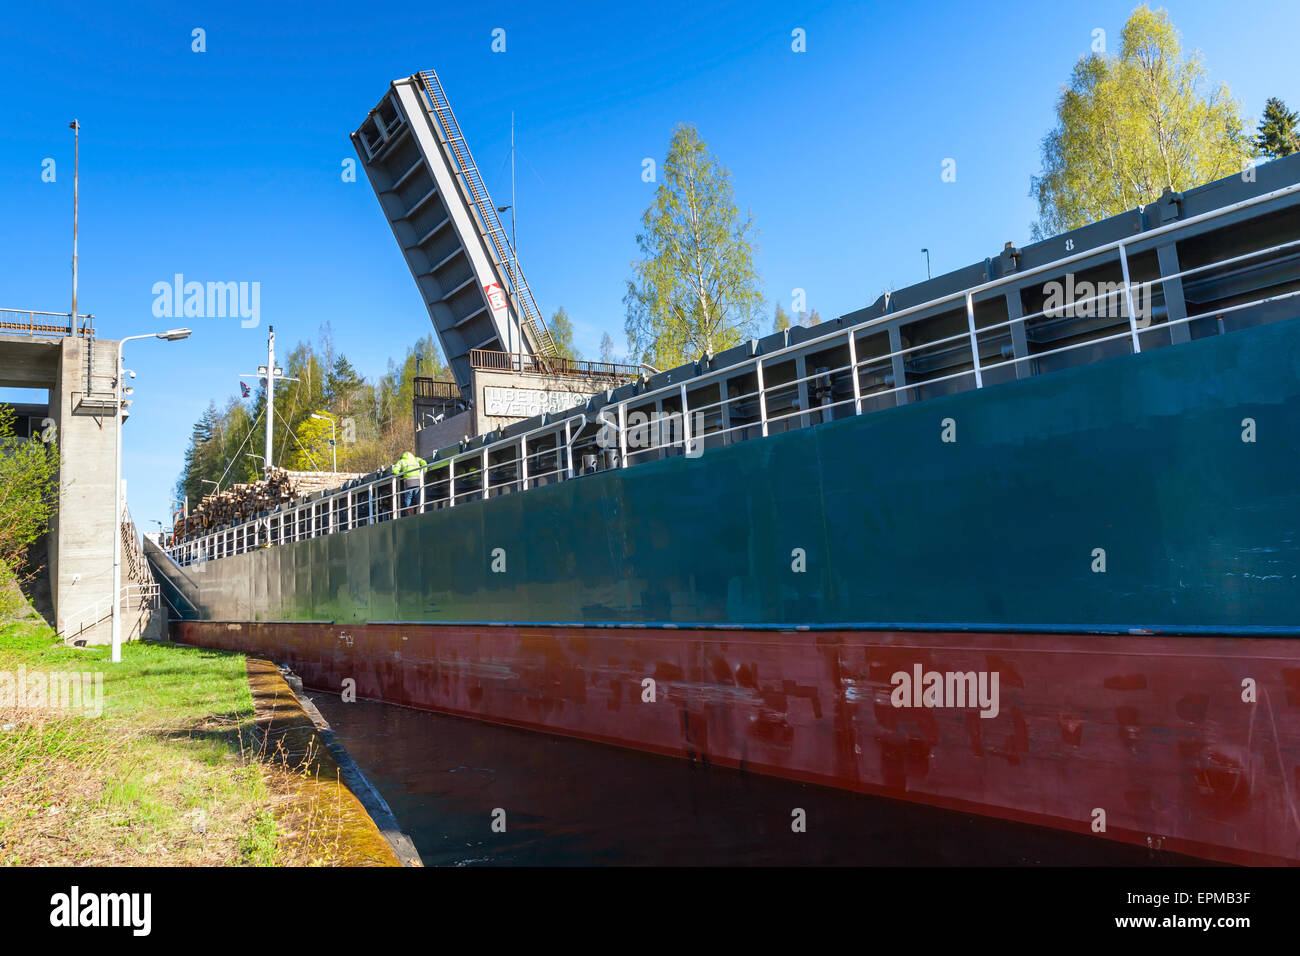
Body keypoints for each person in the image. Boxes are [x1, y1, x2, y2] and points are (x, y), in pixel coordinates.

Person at [392, 451, 427, 516]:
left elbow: (394, 470)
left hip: (408, 482)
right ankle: (421, 512)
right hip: (417, 480)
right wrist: (424, 472)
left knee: (408, 498)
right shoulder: (416, 459)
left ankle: (411, 514)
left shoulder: (401, 461)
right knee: (417, 496)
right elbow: (424, 462)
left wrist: (400, 475)